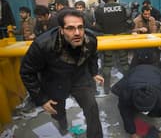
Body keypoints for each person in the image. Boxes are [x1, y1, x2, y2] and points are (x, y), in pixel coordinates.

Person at [20, 9, 104, 138]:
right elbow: (27, 72)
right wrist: (42, 98)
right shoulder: (43, 44)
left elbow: (92, 55)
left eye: (80, 27)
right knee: (58, 112)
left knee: (92, 108)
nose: (77, 33)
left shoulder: (90, 39)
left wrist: (94, 72)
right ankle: (63, 125)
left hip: (79, 77)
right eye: (70, 28)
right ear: (61, 29)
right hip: (54, 80)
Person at [111, 48, 161, 138]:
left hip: (157, 74)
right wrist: (132, 132)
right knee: (126, 106)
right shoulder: (126, 93)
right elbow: (124, 111)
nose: (143, 112)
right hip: (134, 73)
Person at [94, 0, 133, 95]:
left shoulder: (99, 10)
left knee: (107, 65)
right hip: (121, 39)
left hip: (107, 41)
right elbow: (130, 24)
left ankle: (106, 89)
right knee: (125, 64)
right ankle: (129, 86)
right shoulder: (124, 7)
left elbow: (98, 27)